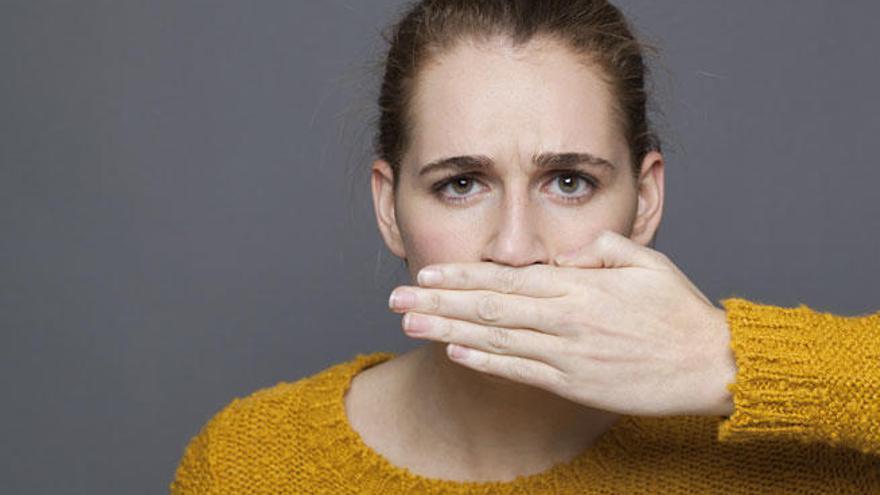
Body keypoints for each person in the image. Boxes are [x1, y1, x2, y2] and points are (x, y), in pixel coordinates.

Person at [170, 1, 880, 493]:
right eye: (461, 184)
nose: (514, 248)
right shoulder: (246, 464)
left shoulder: (797, 462)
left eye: (568, 181)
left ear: (646, 200)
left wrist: (728, 358)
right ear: (389, 207)